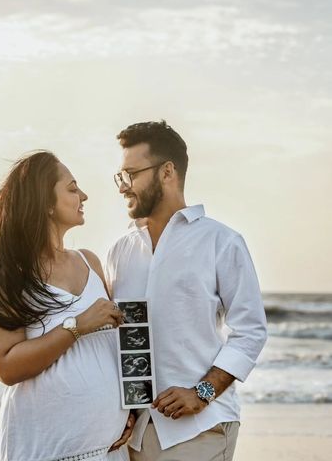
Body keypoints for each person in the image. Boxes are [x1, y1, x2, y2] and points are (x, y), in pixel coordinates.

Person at [0, 151, 134, 461]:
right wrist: (77, 325)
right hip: (46, 450)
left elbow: (117, 346)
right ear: (45, 203)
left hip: (110, 449)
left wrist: (134, 409)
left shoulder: (90, 262)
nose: (84, 195)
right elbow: (6, 367)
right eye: (73, 188)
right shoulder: (6, 277)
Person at [106, 121, 268, 461]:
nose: (123, 187)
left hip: (201, 429)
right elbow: (125, 336)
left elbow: (251, 331)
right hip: (133, 436)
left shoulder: (221, 242)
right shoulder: (120, 251)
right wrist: (126, 410)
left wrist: (202, 392)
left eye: (131, 174)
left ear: (167, 172)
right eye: (121, 176)